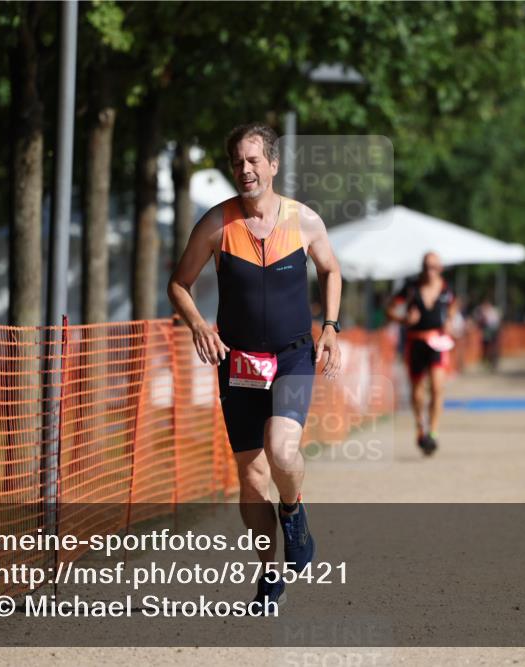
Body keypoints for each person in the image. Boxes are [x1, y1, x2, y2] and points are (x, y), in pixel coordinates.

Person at [168, 122, 342, 613]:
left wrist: (330, 326)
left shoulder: (304, 220)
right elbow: (178, 284)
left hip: (291, 355)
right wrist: (200, 325)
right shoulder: (216, 224)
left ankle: (294, 511)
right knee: (250, 477)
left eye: (253, 160)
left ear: (272, 164)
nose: (245, 170)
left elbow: (331, 269)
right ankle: (269, 575)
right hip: (238, 360)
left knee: (281, 451)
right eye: (237, 162)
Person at [386, 252, 457, 456]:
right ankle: (420, 428)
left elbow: (453, 306)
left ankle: (433, 432)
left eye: (434, 266)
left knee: (437, 387)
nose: (429, 270)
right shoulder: (410, 288)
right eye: (426, 266)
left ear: (440, 268)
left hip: (438, 342)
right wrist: (403, 319)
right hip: (415, 341)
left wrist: (450, 320)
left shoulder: (446, 289)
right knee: (417, 390)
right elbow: (389, 309)